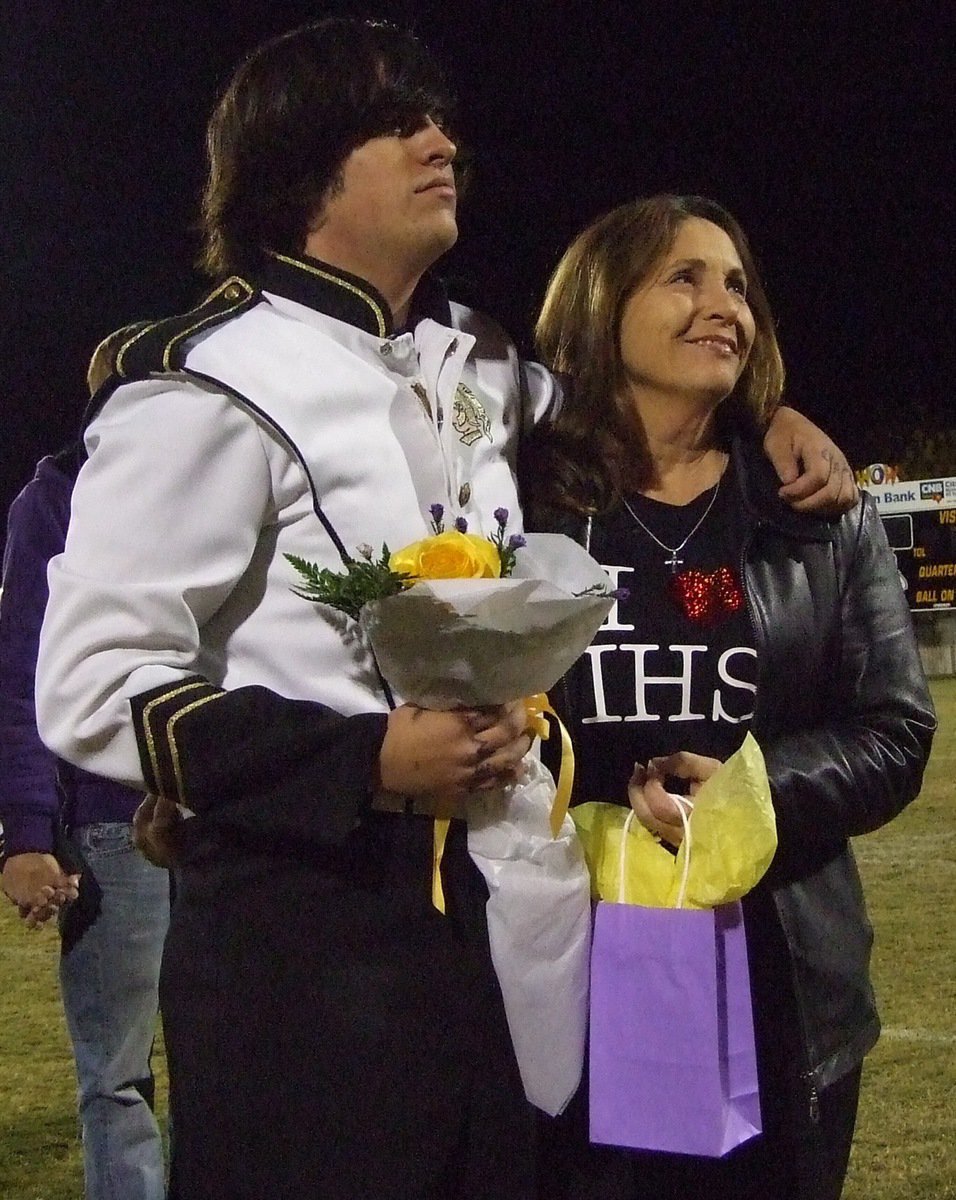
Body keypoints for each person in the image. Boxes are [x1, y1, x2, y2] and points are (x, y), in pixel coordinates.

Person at [35, 19, 856, 1199]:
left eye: (438, 121)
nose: (441, 144)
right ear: (298, 167)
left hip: (504, 922)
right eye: (395, 124)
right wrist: (364, 758)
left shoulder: (473, 355)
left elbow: (636, 406)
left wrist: (764, 414)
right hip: (308, 941)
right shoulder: (204, 381)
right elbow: (94, 686)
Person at [523, 194, 937, 1200]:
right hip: (569, 977)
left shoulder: (812, 512)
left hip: (779, 980)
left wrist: (749, 795)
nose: (725, 306)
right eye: (684, 277)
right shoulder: (521, 504)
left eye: (738, 286)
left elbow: (894, 731)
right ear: (600, 304)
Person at [0, 443, 170, 1200]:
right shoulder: (60, 497)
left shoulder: (220, 470)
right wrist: (27, 834)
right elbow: (21, 674)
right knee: (118, 1077)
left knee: (232, 1065)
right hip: (113, 822)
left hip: (227, 815)